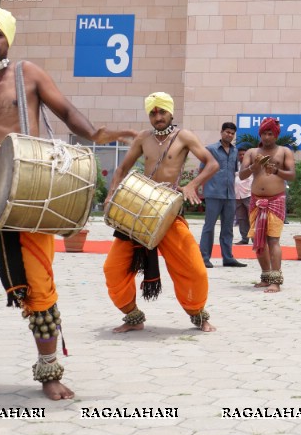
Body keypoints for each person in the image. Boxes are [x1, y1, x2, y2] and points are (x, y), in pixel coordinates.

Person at [0, 3, 136, 400]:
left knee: (40, 288)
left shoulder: (28, 74)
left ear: (7, 39)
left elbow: (70, 114)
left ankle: (49, 372)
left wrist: (99, 134)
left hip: (29, 195)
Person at [104, 92, 219, 334]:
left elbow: (212, 163)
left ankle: (198, 314)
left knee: (194, 268)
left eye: (162, 112)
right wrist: (110, 194)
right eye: (153, 113)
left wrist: (192, 185)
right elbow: (123, 168)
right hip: (141, 209)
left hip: (169, 211)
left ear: (171, 113)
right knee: (113, 267)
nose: (158, 117)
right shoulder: (143, 138)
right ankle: (133, 316)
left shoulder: (184, 136)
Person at [240, 118, 295, 293]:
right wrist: (254, 168)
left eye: (270, 133)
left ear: (276, 135)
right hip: (256, 200)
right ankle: (265, 276)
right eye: (264, 133)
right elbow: (241, 175)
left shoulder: (284, 151)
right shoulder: (251, 152)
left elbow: (292, 175)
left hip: (276, 200)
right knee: (258, 240)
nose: (267, 136)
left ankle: (276, 281)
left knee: (273, 240)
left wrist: (276, 170)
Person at [199, 122, 245, 268]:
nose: (229, 135)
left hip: (230, 194)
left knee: (227, 228)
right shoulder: (210, 149)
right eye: (227, 132)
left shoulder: (235, 151)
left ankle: (228, 258)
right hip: (213, 193)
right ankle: (204, 257)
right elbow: (202, 170)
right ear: (221, 132)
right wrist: (202, 189)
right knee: (209, 226)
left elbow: (235, 171)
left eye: (232, 133)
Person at [234, 146, 252, 244]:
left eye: (243, 154)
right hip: (237, 195)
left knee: (252, 217)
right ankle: (244, 238)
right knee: (241, 218)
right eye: (240, 154)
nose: (241, 156)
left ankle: (255, 239)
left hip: (248, 194)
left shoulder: (251, 166)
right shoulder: (235, 165)